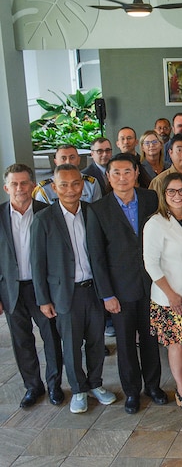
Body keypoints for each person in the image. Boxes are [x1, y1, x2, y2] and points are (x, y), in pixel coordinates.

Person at [31, 164, 117, 414]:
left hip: (93, 290)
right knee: (70, 345)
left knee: (96, 342)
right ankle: (79, 388)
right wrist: (43, 299)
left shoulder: (93, 212)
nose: (71, 189)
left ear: (83, 185)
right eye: (64, 185)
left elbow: (103, 256)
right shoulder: (44, 219)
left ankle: (96, 384)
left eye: (76, 183)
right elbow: (37, 263)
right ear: (54, 188)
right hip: (64, 295)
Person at [86, 154, 165, 414]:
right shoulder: (98, 209)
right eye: (116, 173)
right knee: (126, 343)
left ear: (135, 173)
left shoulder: (150, 199)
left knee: (152, 339)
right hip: (120, 291)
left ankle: (153, 386)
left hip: (151, 285)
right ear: (108, 177)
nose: (122, 177)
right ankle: (132, 392)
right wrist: (107, 294)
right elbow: (97, 257)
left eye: (127, 172)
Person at [142, 173, 182, 415]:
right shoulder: (156, 223)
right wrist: (170, 294)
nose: (177, 196)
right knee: (177, 344)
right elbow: (151, 264)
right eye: (172, 191)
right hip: (170, 297)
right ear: (163, 194)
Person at [0, 164, 63, 409]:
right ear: (7, 188)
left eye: (24, 182)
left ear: (33, 185)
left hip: (42, 290)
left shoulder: (47, 212)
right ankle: (32, 387)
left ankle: (55, 385)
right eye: (14, 184)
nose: (19, 188)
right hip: (11, 290)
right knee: (22, 341)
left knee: (51, 338)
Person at [33, 145, 102, 204]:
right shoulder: (44, 189)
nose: (68, 161)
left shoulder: (91, 184)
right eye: (63, 158)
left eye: (72, 157)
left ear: (78, 160)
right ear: (56, 161)